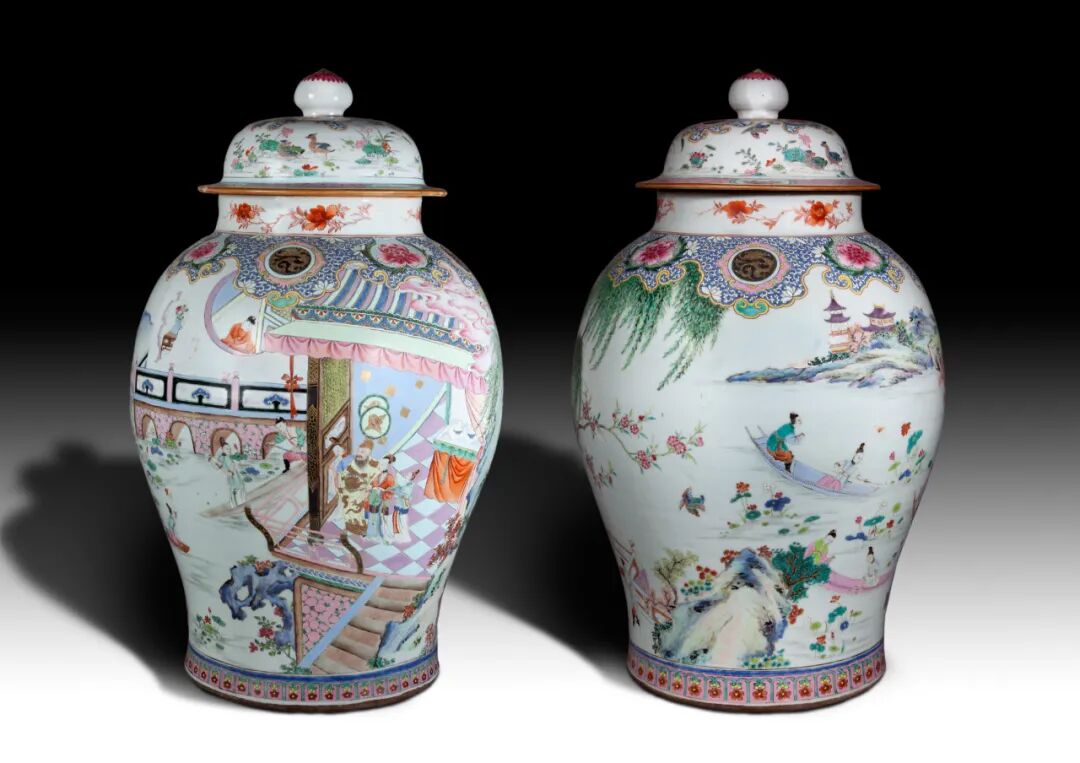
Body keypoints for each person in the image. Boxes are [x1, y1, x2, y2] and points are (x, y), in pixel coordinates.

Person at [338, 439, 377, 536]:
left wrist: (369, 487)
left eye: (364, 452)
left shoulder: (372, 464)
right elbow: (338, 476)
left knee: (360, 512)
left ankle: (361, 529)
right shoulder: (346, 461)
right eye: (360, 450)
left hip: (362, 493)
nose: (361, 453)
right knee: (349, 512)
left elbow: (374, 480)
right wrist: (340, 489)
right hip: (348, 492)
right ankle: (351, 528)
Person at [215, 438, 247, 509]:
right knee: (234, 490)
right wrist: (226, 472)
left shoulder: (230, 456)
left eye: (229, 449)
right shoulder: (222, 458)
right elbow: (219, 467)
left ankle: (242, 502)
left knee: (241, 486)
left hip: (236, 474)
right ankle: (234, 506)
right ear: (222, 449)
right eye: (227, 449)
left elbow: (237, 459)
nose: (229, 450)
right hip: (231, 475)